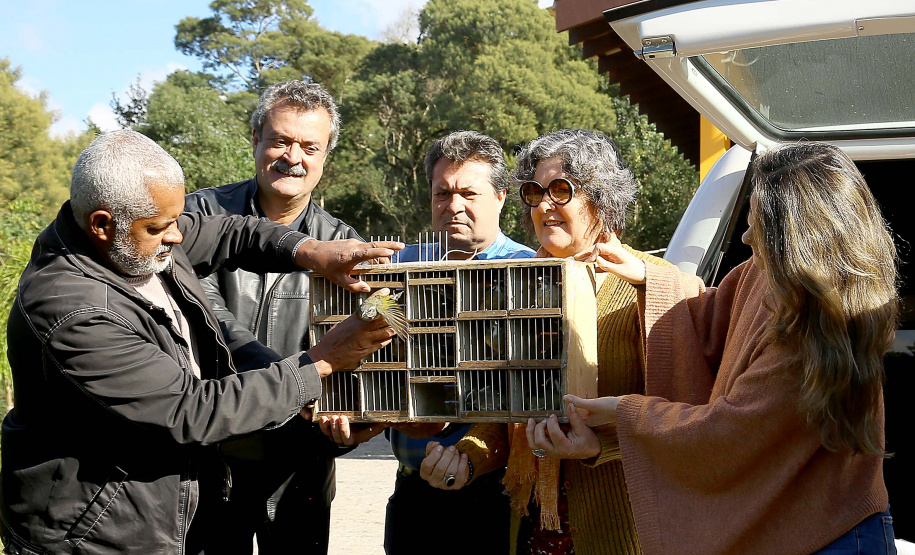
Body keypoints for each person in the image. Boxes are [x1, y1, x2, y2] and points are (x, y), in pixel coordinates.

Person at [0, 130, 399, 554]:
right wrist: (320, 363)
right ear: (101, 224)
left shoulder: (133, 237)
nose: (176, 236)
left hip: (153, 515)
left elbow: (233, 232)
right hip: (93, 534)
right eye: (160, 227)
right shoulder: (73, 310)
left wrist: (311, 250)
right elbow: (191, 409)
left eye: (176, 219)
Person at [554, 142, 898, 554]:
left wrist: (625, 412)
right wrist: (649, 277)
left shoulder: (813, 331)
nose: (746, 235)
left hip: (835, 536)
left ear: (799, 240)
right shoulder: (765, 273)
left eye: (759, 227)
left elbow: (727, 432)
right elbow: (715, 314)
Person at [420, 129, 668, 555]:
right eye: (536, 192)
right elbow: (508, 413)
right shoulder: (522, 286)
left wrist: (598, 446)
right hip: (535, 531)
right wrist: (465, 456)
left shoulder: (650, 284)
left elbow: (685, 417)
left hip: (622, 532)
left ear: (601, 198)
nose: (545, 205)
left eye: (560, 190)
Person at [184, 80, 372, 554]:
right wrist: (285, 374)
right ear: (255, 139)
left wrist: (354, 412)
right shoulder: (201, 214)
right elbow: (202, 305)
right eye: (280, 141)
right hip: (208, 455)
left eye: (310, 146)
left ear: (326, 154)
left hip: (300, 464)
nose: (294, 157)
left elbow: (358, 338)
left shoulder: (342, 241)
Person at [333, 130, 534, 555]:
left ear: (500, 196)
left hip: (495, 498)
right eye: (442, 193)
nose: (454, 205)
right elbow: (362, 353)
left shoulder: (532, 274)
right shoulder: (398, 266)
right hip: (411, 494)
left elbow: (534, 390)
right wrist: (355, 416)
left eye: (468, 193)